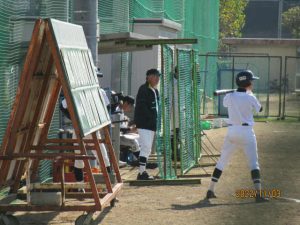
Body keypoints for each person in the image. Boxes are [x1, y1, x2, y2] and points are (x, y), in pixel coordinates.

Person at [206, 70, 268, 202]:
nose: (252, 84)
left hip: (232, 131)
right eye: (251, 81)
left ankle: (210, 189)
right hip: (246, 133)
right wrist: (249, 95)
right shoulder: (251, 97)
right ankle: (258, 193)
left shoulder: (230, 96)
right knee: (253, 163)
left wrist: (238, 94)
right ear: (247, 82)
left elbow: (226, 104)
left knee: (222, 161)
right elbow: (260, 109)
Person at [134, 68, 160, 180]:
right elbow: (142, 107)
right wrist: (150, 118)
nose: (157, 78)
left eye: (158, 76)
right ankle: (141, 173)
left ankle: (142, 171)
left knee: (147, 148)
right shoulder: (143, 89)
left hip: (151, 125)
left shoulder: (155, 91)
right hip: (144, 124)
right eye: (155, 76)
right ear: (148, 77)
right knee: (146, 147)